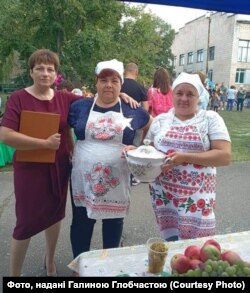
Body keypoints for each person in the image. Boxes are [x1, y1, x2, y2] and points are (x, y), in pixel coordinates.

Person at [0, 49, 82, 276]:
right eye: (40, 68)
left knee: (55, 215)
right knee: (25, 222)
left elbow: (98, 103)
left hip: (59, 166)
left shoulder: (65, 98)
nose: (45, 73)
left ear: (56, 74)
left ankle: (51, 260)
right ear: (31, 72)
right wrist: (43, 144)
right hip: (30, 168)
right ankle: (15, 275)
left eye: (50, 69)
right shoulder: (19, 98)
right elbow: (5, 134)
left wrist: (122, 95)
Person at [68, 59, 152, 259]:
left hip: (117, 178)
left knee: (113, 222)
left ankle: (110, 264)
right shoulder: (80, 106)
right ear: (96, 83)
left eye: (114, 81)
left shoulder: (131, 108)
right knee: (81, 221)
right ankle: (81, 265)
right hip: (83, 178)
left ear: (121, 84)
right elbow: (64, 125)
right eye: (103, 80)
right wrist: (70, 150)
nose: (108, 85)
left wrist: (140, 147)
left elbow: (150, 125)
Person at [145, 72, 231, 241]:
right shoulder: (161, 120)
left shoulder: (210, 119)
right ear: (173, 95)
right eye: (179, 93)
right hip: (165, 195)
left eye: (190, 94)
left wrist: (185, 157)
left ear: (199, 97)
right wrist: (135, 151)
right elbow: (149, 150)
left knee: (197, 248)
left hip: (197, 198)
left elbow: (224, 156)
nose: (184, 98)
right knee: (170, 244)